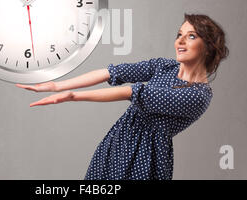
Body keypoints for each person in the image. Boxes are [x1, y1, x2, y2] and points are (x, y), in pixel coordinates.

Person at [15, 13, 229, 180]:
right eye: (179, 34)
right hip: (116, 143)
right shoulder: (166, 66)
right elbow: (114, 72)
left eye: (191, 36)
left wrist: (73, 96)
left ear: (208, 47)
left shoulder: (199, 95)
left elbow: (133, 92)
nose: (180, 41)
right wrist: (56, 85)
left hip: (145, 160)